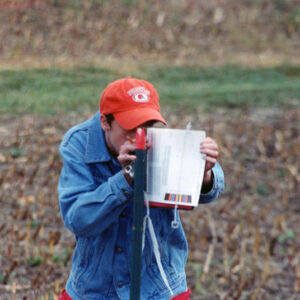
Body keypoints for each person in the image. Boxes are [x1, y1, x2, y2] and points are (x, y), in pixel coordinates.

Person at [57, 77, 224, 300]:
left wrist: (204, 174)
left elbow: (208, 192)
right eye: (130, 127)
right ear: (105, 122)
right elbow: (78, 219)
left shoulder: (165, 142)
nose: (140, 135)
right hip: (93, 288)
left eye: (147, 125)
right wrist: (126, 178)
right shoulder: (78, 144)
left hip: (159, 287)